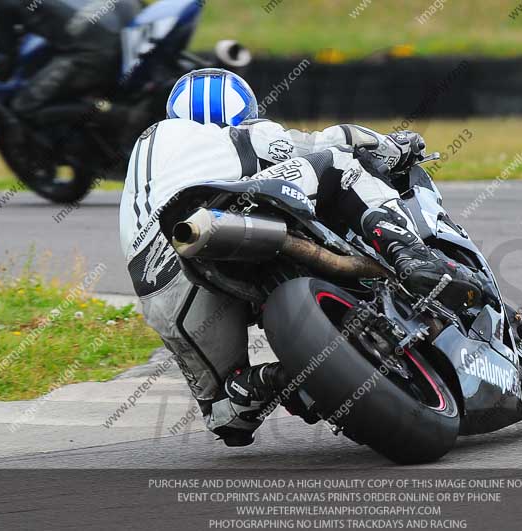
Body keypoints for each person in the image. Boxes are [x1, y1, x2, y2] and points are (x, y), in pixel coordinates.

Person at [119, 68, 477, 446]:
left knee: (227, 415)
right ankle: (412, 255)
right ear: (244, 112)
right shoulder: (242, 131)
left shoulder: (144, 157)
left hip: (161, 280)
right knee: (339, 163)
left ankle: (283, 380)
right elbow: (332, 141)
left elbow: (228, 428)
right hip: (227, 206)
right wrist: (392, 146)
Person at [0, 0, 141, 116]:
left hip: (91, 53)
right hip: (128, 34)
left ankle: (118, 114)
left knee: (23, 106)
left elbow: (5, 58)